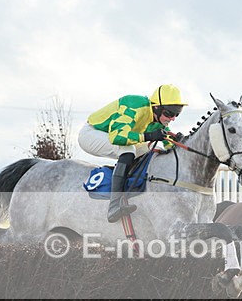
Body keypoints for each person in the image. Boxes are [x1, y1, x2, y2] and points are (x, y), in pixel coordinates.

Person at [78, 84, 187, 222]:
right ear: (156, 107)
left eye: (176, 114)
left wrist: (181, 141)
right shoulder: (134, 105)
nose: (172, 118)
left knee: (152, 149)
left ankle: (131, 190)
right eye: (169, 114)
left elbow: (168, 145)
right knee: (128, 150)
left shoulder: (158, 118)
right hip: (91, 134)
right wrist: (147, 136)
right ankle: (114, 206)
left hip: (110, 135)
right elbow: (117, 137)